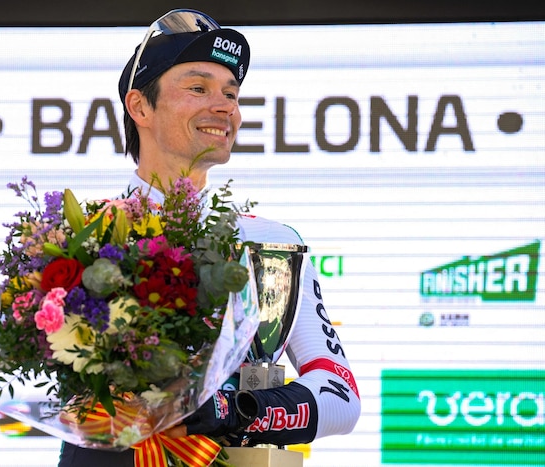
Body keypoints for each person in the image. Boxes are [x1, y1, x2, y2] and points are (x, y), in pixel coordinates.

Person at [57, 8, 361, 466]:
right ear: (140, 106)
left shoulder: (271, 244)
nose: (225, 107)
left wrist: (233, 411)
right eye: (198, 88)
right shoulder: (77, 236)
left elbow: (342, 395)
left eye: (231, 93)